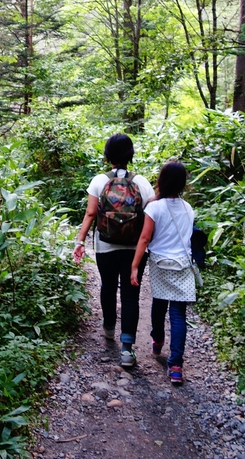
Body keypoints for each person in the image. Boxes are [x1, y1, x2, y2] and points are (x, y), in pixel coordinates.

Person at [73, 133, 155, 367]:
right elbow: (149, 218)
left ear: (107, 155)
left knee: (108, 286)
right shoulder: (142, 183)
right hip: (134, 248)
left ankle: (109, 328)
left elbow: (90, 213)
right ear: (130, 155)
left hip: (106, 246)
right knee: (130, 295)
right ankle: (127, 350)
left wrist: (80, 241)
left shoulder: (99, 181)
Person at [130, 160, 195, 385]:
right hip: (183, 266)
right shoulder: (188, 208)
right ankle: (176, 366)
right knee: (178, 315)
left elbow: (145, 238)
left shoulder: (154, 207)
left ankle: (157, 340)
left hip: (160, 264)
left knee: (159, 305)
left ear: (162, 180)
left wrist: (135, 266)